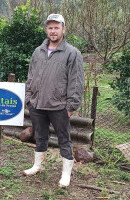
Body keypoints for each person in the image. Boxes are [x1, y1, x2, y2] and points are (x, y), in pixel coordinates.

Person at [23, 14, 84, 188]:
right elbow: (31, 76)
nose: (53, 31)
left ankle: (66, 175)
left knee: (64, 139)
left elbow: (76, 81)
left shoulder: (72, 53)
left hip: (59, 106)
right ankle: (37, 165)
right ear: (46, 29)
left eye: (57, 27)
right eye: (50, 27)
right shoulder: (38, 51)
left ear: (63, 29)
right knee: (40, 136)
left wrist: (71, 106)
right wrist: (29, 99)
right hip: (37, 104)